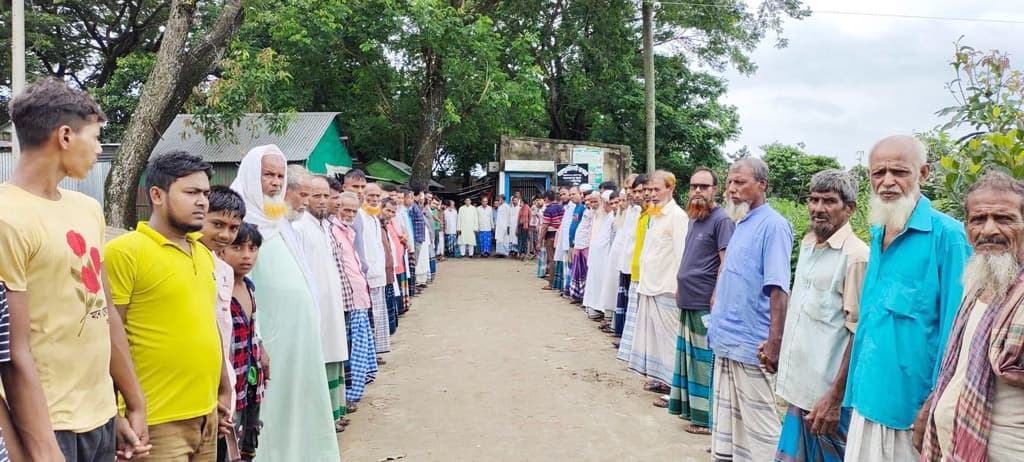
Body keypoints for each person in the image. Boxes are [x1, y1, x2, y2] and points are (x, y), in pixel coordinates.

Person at [0, 77, 147, 461]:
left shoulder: (87, 208)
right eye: (96, 138)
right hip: (47, 425)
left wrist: (131, 401)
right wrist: (44, 448)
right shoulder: (6, 218)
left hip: (100, 418)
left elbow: (105, 312)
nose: (99, 150)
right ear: (65, 136)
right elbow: (14, 352)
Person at [843, 135, 969, 461]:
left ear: (923, 174)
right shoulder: (877, 230)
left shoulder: (949, 237)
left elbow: (957, 334)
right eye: (878, 173)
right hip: (866, 400)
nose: (887, 182)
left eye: (899, 172)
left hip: (911, 414)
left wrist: (934, 405)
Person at [105, 152, 230, 461]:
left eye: (205, 193)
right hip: (154, 421)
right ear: (157, 195)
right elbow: (106, 334)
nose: (202, 201)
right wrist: (114, 412)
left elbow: (207, 324)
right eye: (191, 192)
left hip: (207, 416)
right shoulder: (125, 252)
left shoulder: (202, 253)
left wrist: (224, 388)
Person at [229, 145, 340, 461]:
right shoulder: (239, 220)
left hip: (298, 337)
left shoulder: (277, 218)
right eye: (268, 175)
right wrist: (259, 336)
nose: (276, 183)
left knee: (300, 400)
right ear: (252, 175)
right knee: (271, 407)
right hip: (268, 338)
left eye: (280, 176)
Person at [921, 172, 1024, 460]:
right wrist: (935, 404)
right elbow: (961, 368)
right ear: (967, 229)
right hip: (957, 447)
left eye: (1004, 219)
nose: (989, 230)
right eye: (978, 220)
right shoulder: (976, 284)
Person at [770, 170, 868, 460]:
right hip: (801, 391)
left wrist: (834, 399)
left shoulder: (856, 257)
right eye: (813, 200)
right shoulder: (809, 245)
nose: (818, 208)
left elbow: (857, 332)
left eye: (829, 201)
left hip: (827, 400)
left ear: (849, 209)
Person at [707, 158, 794, 461]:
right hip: (727, 343)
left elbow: (778, 289)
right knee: (731, 428)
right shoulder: (740, 222)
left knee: (761, 431)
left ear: (762, 185)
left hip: (752, 347)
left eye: (740, 182)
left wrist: (774, 343)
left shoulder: (774, 226)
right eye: (729, 182)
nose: (731, 189)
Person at [664, 168, 734, 435]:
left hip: (705, 301)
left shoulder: (722, 220)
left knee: (703, 361)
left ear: (715, 189)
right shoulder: (694, 218)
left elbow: (725, 263)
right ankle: (691, 410)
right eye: (694, 186)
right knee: (688, 359)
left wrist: (717, 295)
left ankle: (706, 420)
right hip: (688, 299)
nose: (697, 191)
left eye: (704, 187)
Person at [291, 174, 351, 431]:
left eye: (326, 195)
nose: (323, 201)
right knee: (321, 356)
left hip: (332, 305)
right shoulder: (299, 227)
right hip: (316, 307)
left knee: (333, 353)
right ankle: (324, 418)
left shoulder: (323, 226)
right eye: (316, 195)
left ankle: (335, 413)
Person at [626, 171, 689, 392]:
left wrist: (681, 288)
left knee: (669, 341)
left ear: (670, 189)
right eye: (649, 190)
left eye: (656, 189)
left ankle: (673, 388)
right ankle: (662, 380)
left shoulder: (677, 217)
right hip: (650, 285)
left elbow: (682, 256)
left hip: (667, 288)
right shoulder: (654, 214)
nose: (651, 194)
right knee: (656, 341)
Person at [196, 185, 246, 458]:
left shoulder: (224, 270)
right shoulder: (188, 263)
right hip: (199, 387)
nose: (225, 235)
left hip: (224, 377)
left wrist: (226, 387)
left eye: (233, 227)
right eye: (217, 224)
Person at [219, 223, 268, 461]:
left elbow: (251, 331)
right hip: (229, 388)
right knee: (228, 449)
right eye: (237, 247)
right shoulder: (219, 290)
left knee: (248, 445)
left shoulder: (249, 287)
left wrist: (261, 349)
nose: (247, 255)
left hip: (251, 385)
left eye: (253, 248)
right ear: (221, 251)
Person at [331, 191, 380, 407]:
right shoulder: (332, 231)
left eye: (353, 210)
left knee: (358, 349)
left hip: (359, 298)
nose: (349, 214)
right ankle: (348, 397)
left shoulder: (348, 231)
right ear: (337, 208)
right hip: (347, 300)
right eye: (346, 209)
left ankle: (353, 394)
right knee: (350, 352)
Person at [609, 175, 643, 339]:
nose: (629, 192)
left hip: (635, 266)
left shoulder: (641, 211)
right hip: (626, 263)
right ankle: (623, 336)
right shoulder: (630, 210)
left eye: (632, 189)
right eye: (628, 189)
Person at [362, 183, 393, 356]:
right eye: (370, 195)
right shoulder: (359, 216)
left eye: (377, 196)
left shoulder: (374, 217)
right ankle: (371, 353)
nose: (374, 199)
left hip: (378, 273)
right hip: (368, 274)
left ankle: (376, 351)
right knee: (371, 316)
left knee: (378, 314)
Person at [583, 190, 618, 321]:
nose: (605, 206)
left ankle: (603, 312)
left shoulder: (612, 217)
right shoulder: (600, 215)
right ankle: (595, 308)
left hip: (606, 258)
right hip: (597, 256)